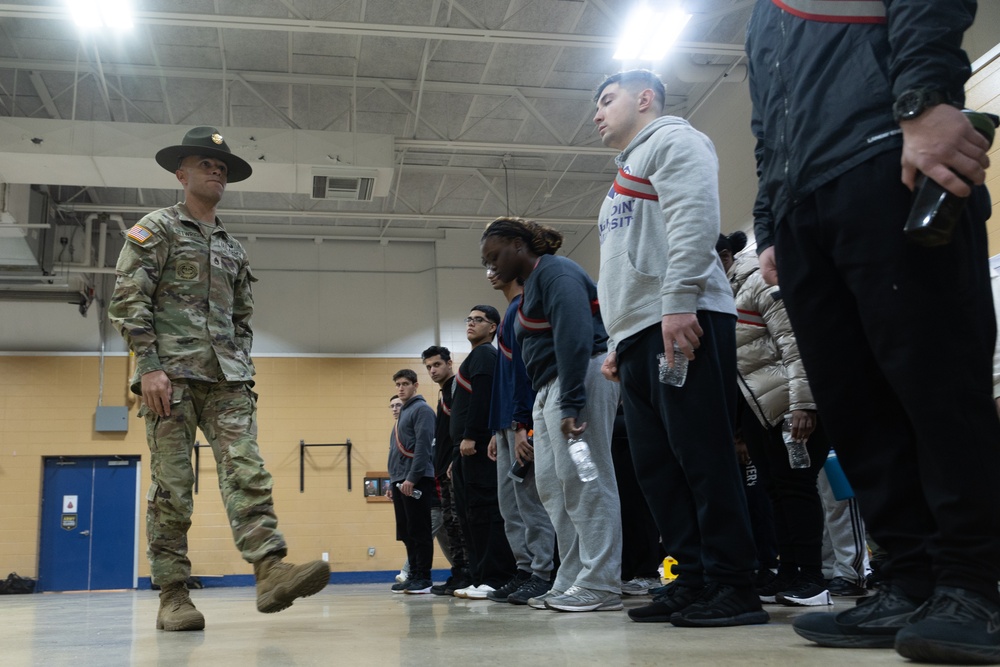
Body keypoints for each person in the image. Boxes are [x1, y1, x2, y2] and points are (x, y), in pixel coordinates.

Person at [746, 1, 1000, 662]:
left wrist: (924, 100)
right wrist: (772, 219)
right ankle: (910, 580)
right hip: (805, 204)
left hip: (888, 158)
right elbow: (766, 116)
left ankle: (977, 583)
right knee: (856, 406)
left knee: (938, 384)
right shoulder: (759, 15)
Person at [108, 126, 330, 631]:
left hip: (228, 381)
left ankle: (270, 569)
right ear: (180, 174)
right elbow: (128, 300)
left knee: (247, 470)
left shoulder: (232, 247)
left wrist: (239, 362)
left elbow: (242, 318)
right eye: (205, 163)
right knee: (174, 488)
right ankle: (173, 596)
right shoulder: (157, 228)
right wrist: (149, 368)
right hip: (171, 381)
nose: (215, 171)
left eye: (222, 167)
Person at [592, 69, 766, 627]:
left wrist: (680, 300)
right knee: (657, 468)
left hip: (682, 320)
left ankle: (734, 584)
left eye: (606, 99)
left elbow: (695, 220)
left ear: (644, 98)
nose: (596, 113)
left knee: (703, 456)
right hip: (640, 333)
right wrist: (618, 338)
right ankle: (691, 578)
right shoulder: (623, 174)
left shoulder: (674, 139)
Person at [480, 217, 623, 613]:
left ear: (518, 244)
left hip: (578, 380)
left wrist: (573, 401)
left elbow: (575, 336)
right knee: (553, 488)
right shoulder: (530, 289)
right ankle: (573, 578)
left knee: (586, 481)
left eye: (494, 256)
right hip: (548, 388)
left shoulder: (556, 272)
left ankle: (602, 583)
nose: (490, 267)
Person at [718, 231, 831, 608]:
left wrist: (804, 404)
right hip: (757, 409)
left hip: (789, 402)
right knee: (774, 490)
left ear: (723, 255)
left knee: (796, 487)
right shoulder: (722, 294)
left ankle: (813, 579)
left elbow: (795, 342)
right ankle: (789, 573)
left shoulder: (758, 281)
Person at [484, 251, 556, 604]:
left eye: (495, 264)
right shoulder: (510, 314)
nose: (490, 272)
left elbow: (524, 375)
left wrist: (520, 424)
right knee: (510, 506)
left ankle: (543, 571)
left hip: (519, 422)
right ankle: (525, 569)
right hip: (504, 424)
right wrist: (498, 429)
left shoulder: (522, 307)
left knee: (529, 501)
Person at [449, 306, 516, 599]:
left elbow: (483, 399)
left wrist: (471, 436)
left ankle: (495, 576)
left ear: (492, 327)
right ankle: (478, 576)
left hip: (475, 447)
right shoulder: (475, 357)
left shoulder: (485, 355)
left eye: (479, 320)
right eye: (469, 319)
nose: (471, 323)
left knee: (486, 512)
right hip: (463, 452)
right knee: (470, 516)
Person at [421, 345, 473, 596]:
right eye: (428, 367)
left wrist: (454, 460)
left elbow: (462, 428)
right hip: (441, 468)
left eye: (437, 365)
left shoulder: (455, 389)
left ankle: (468, 573)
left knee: (458, 522)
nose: (432, 370)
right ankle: (459, 572)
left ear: (449, 363)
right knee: (450, 524)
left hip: (453, 467)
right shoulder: (443, 393)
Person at [386, 369, 437, 595]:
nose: (401, 388)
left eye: (405, 383)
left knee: (420, 530)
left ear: (416, 385)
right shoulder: (402, 414)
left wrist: (412, 478)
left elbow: (424, 448)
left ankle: (424, 578)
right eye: (398, 384)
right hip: (400, 481)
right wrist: (393, 481)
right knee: (407, 532)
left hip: (415, 480)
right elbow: (396, 452)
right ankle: (413, 574)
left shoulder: (422, 410)